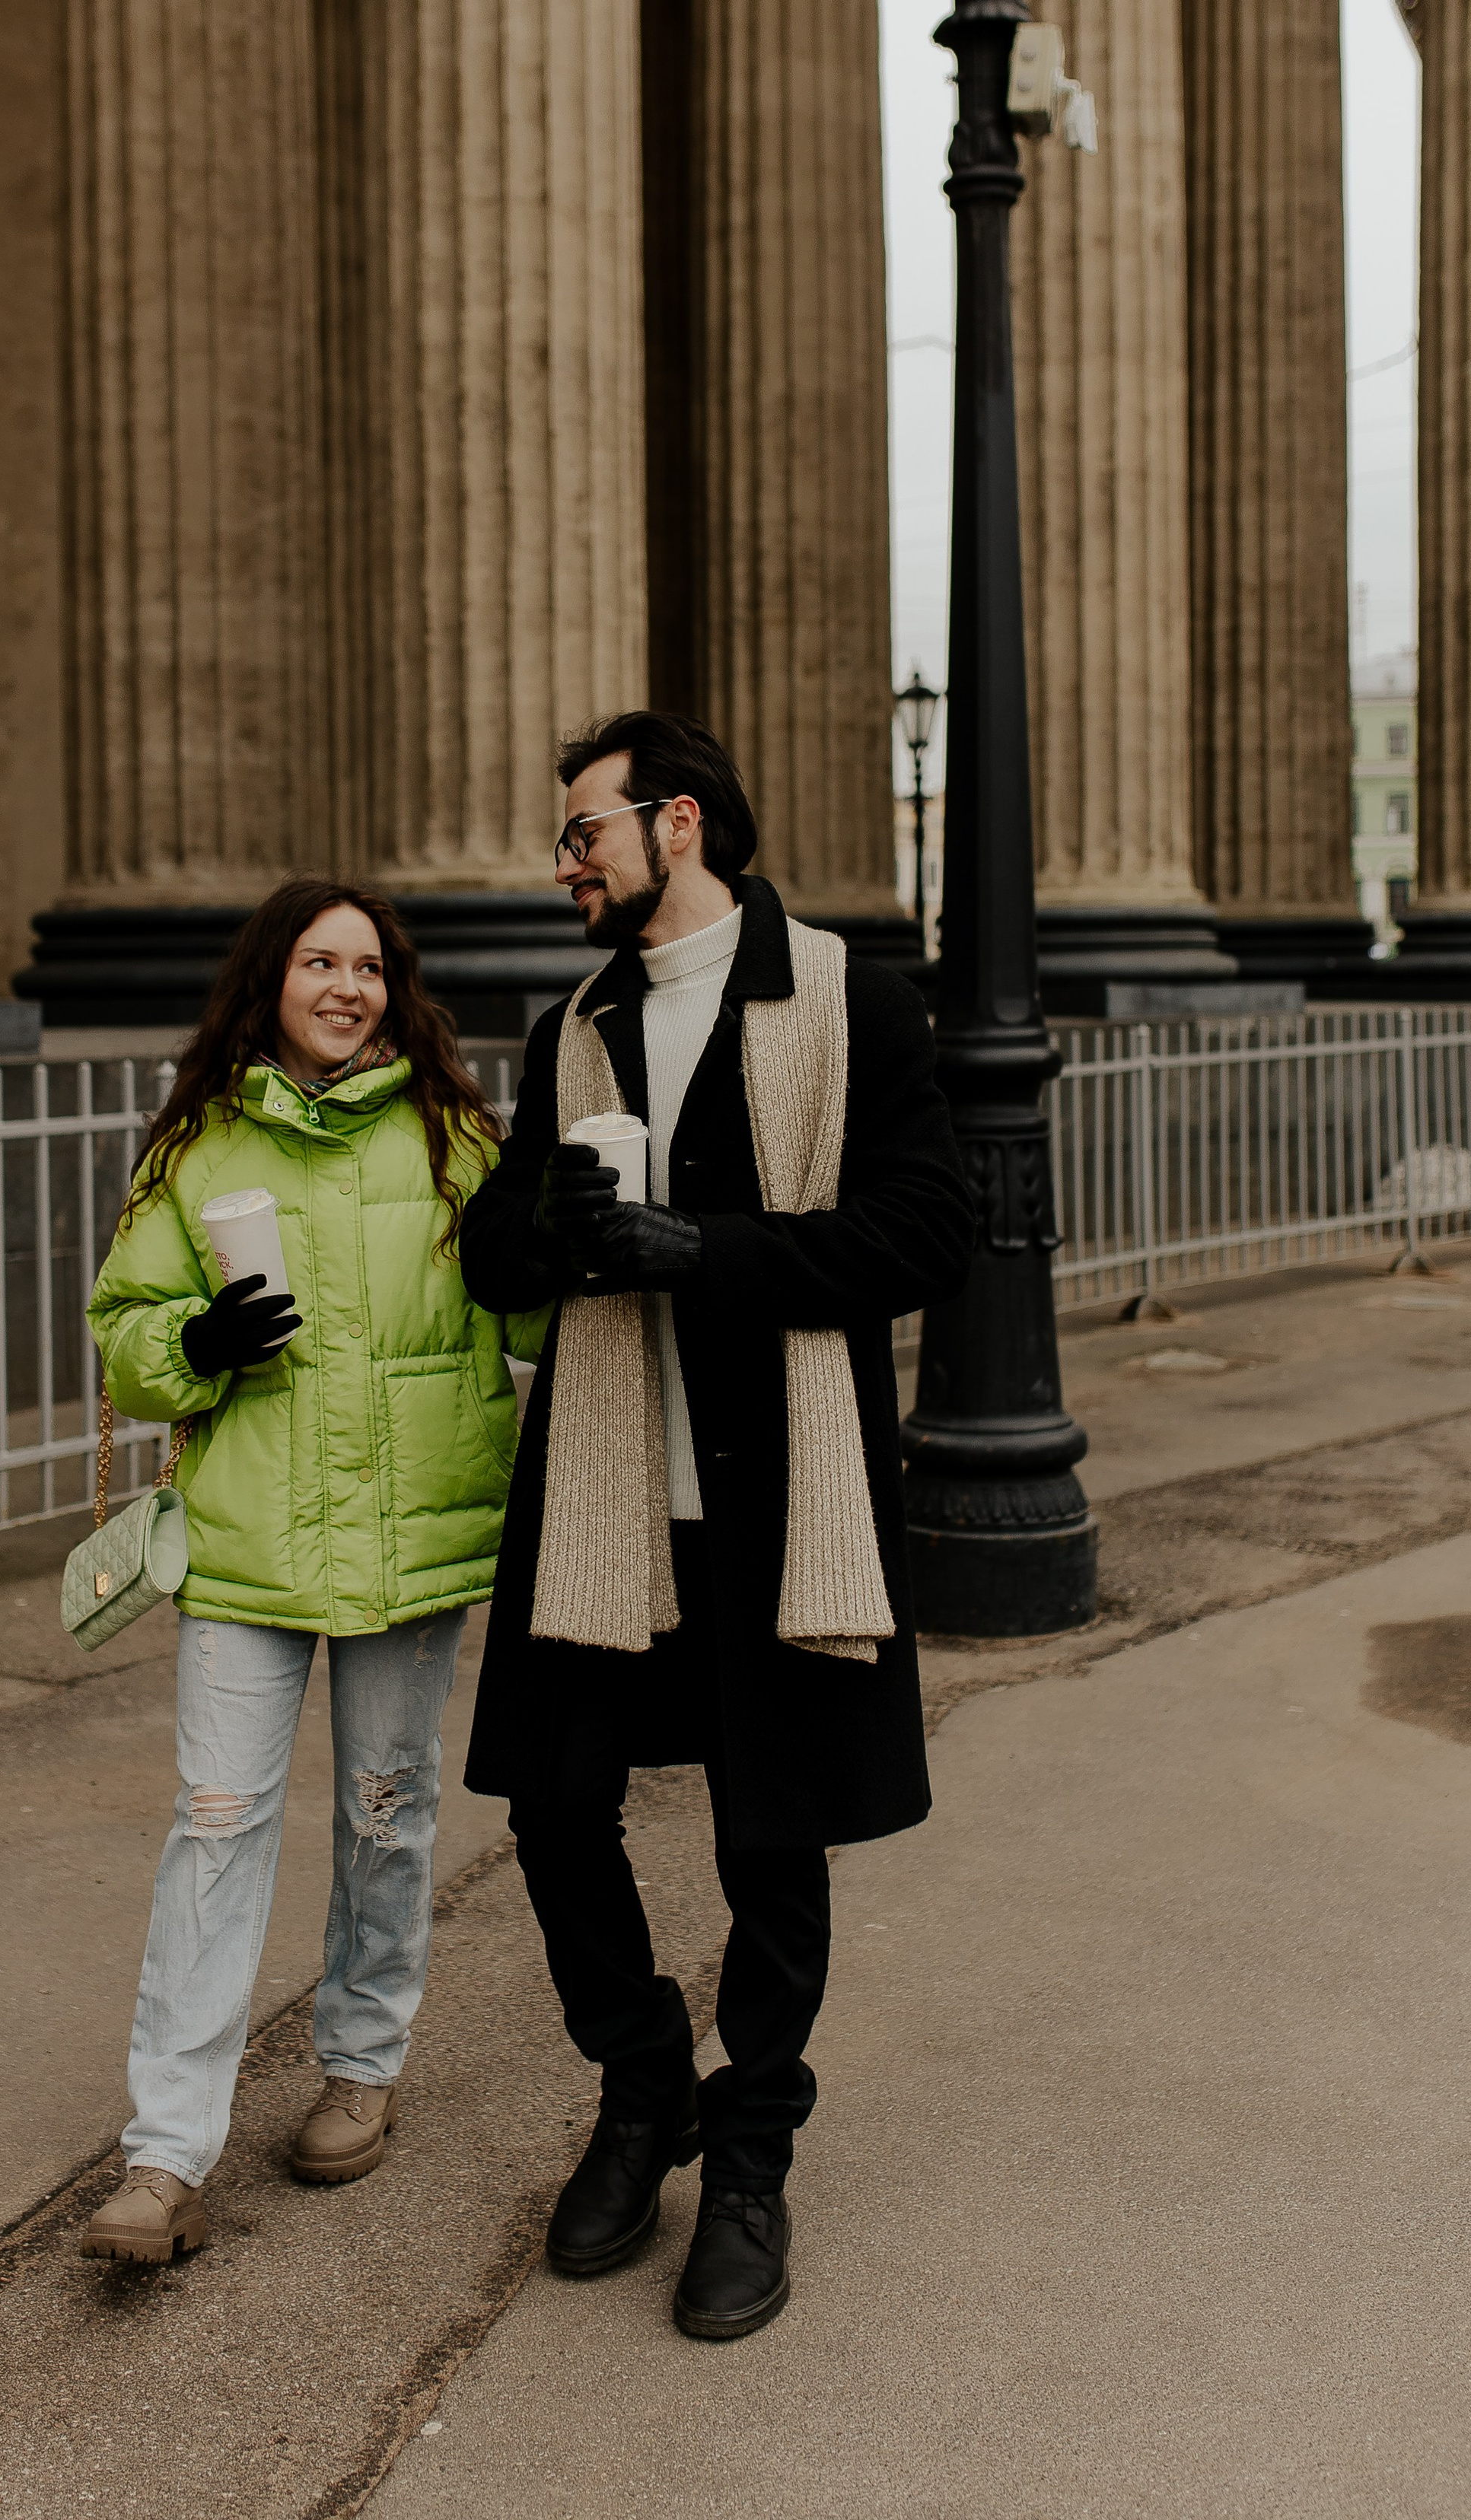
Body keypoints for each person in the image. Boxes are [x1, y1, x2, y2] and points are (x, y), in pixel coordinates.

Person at [458, 713, 975, 2340]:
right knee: (550, 1804)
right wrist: (537, 1223)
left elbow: (923, 1234)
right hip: (604, 1497)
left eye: (581, 836)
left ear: (673, 824)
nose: (562, 866)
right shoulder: (579, 1024)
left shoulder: (845, 997)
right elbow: (491, 1260)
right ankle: (639, 2092)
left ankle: (748, 2160)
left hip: (775, 1494)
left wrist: (710, 1254)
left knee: (771, 1838)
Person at [78, 878, 543, 2264]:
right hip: (249, 1542)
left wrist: (562, 1228)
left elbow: (517, 1309)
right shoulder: (197, 1145)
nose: (348, 986)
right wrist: (194, 1349)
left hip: (416, 1535)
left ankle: (362, 2066)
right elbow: (122, 1329)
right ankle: (165, 2157)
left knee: (386, 1814)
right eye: (319, 961)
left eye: (372, 966)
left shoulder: (455, 1134)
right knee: (216, 1822)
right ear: (268, 981)